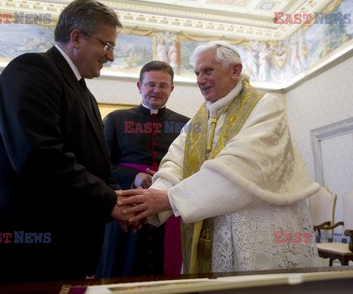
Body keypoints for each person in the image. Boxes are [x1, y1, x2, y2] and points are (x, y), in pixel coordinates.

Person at [0, 0, 134, 284]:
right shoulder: (33, 70)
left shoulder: (83, 92)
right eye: (106, 45)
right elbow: (38, 157)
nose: (109, 56)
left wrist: (119, 197)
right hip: (19, 253)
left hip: (58, 252)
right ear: (76, 37)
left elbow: (92, 163)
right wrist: (109, 200)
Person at [119, 41, 321, 273]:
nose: (200, 80)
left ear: (235, 70)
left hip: (256, 230)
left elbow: (240, 167)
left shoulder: (265, 106)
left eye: (207, 71)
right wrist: (151, 199)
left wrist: (169, 200)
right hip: (209, 226)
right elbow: (176, 161)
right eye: (197, 73)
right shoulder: (200, 118)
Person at [96, 61, 189, 278]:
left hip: (168, 205)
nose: (157, 90)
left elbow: (191, 165)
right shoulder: (116, 120)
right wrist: (133, 176)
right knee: (125, 266)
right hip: (126, 203)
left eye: (163, 85)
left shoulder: (185, 124)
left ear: (172, 89)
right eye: (151, 84)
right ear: (139, 86)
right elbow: (100, 164)